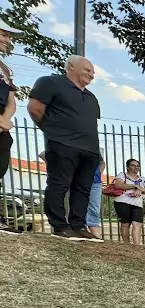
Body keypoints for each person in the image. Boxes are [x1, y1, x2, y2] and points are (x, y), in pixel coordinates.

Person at [27, 56, 102, 241]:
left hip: (90, 150)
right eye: (87, 70)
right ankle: (59, 225)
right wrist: (53, 131)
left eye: (92, 72)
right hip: (62, 144)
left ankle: (78, 225)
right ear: (71, 66)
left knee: (83, 188)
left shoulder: (91, 97)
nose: (91, 75)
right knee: (59, 184)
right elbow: (35, 108)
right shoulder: (50, 82)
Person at [0, 18, 22, 235]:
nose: (8, 40)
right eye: (4, 35)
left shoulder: (5, 69)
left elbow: (11, 100)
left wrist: (5, 120)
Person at [112, 159, 145, 245]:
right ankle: (127, 245)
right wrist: (135, 186)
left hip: (137, 204)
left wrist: (142, 190)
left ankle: (137, 246)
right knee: (125, 224)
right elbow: (118, 185)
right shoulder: (122, 175)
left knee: (137, 224)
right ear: (128, 167)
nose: (136, 167)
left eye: (137, 166)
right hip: (123, 202)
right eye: (133, 165)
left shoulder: (143, 179)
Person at [86, 157, 106, 239]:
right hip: (76, 181)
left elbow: (102, 162)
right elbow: (42, 154)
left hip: (95, 182)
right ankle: (80, 231)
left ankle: (96, 236)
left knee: (94, 208)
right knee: (78, 207)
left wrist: (98, 172)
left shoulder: (94, 148)